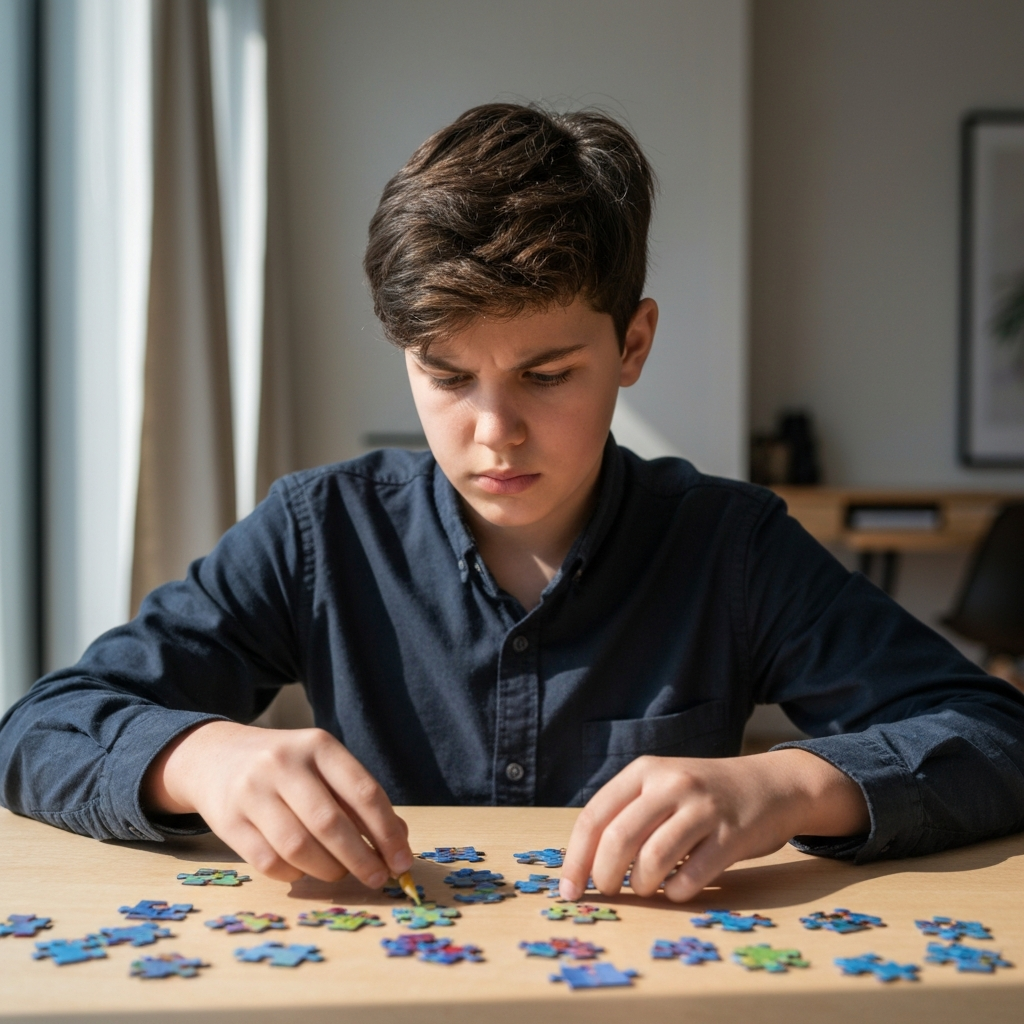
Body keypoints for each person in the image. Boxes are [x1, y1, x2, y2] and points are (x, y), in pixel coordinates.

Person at [2, 104, 1023, 905]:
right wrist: (199, 756)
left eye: (545, 373)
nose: (494, 430)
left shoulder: (729, 545)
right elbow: (37, 728)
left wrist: (789, 783)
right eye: (447, 378)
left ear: (631, 345)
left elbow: (994, 734)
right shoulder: (317, 533)